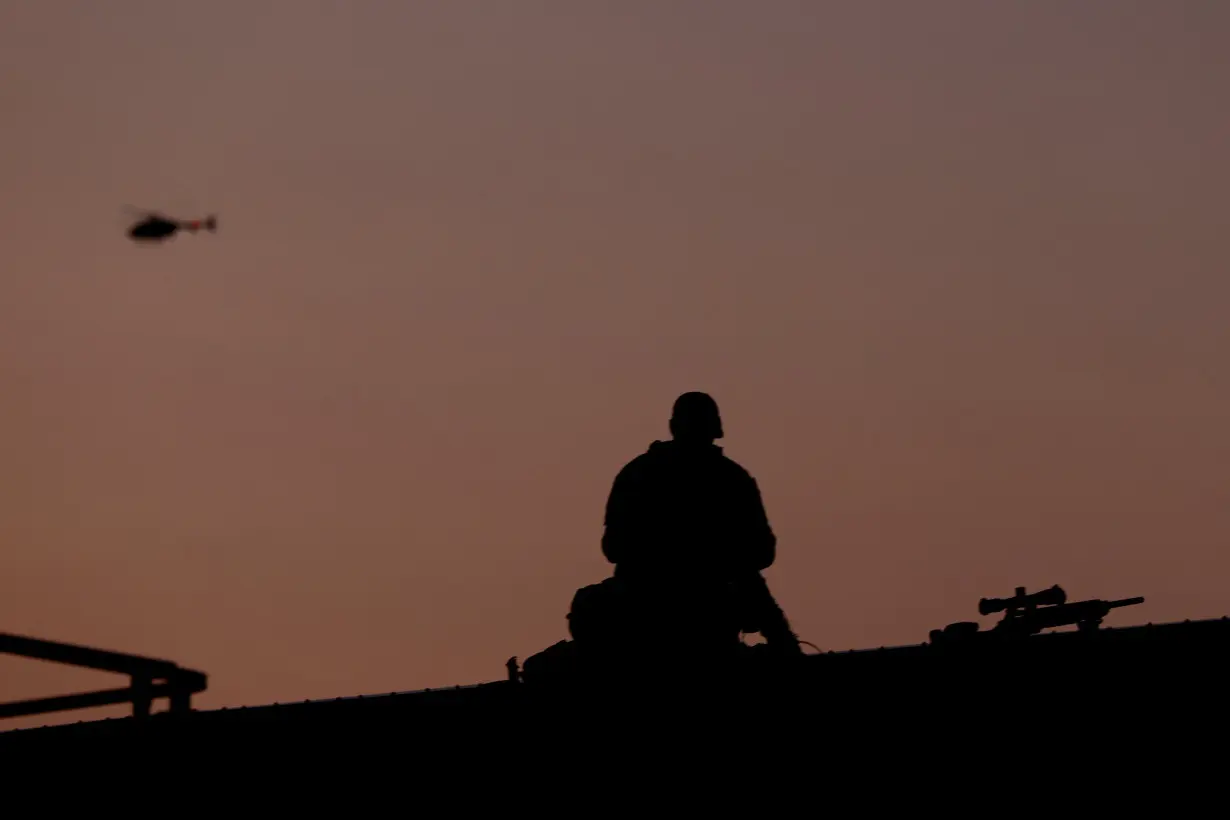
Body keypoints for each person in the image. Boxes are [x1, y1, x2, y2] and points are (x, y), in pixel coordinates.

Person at [592, 391, 802, 655]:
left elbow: (612, 547)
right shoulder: (730, 479)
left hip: (681, 615)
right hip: (660, 615)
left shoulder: (639, 473)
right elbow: (760, 553)